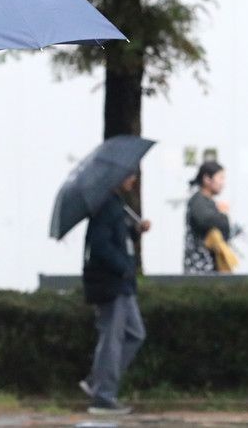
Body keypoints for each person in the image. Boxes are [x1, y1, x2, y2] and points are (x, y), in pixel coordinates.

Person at [80, 173, 150, 416]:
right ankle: (103, 395)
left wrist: (136, 231)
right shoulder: (106, 206)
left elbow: (118, 240)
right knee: (112, 339)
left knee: (135, 333)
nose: (133, 179)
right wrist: (124, 268)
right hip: (112, 285)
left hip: (123, 285)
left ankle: (97, 381)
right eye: (129, 174)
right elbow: (100, 245)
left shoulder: (118, 204)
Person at [184, 160, 232, 274]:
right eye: (220, 178)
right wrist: (223, 215)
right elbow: (205, 220)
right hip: (201, 267)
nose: (223, 183)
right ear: (207, 179)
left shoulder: (207, 201)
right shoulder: (198, 201)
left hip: (209, 265)